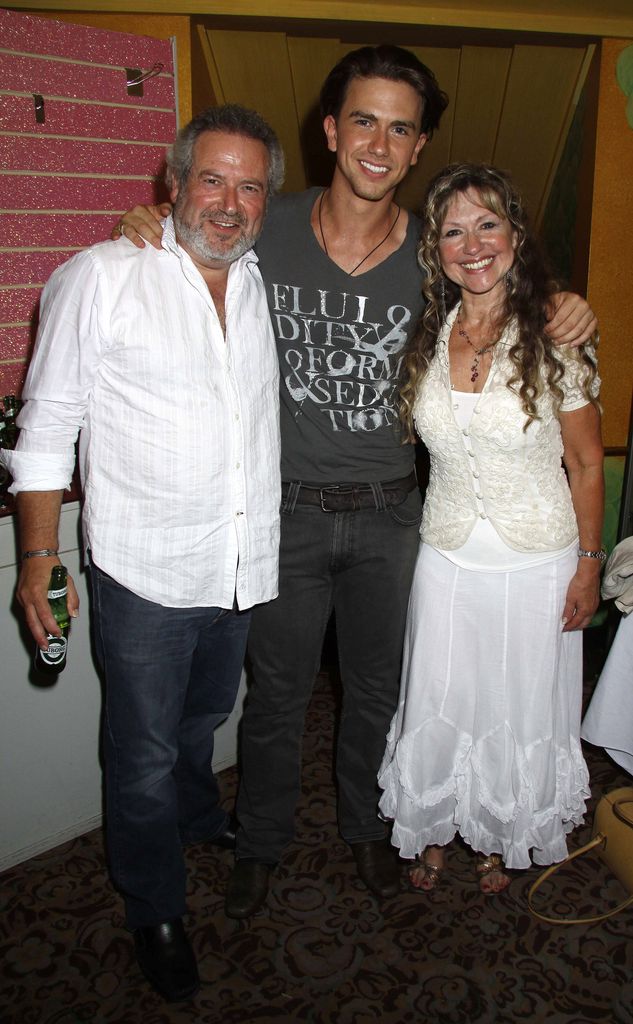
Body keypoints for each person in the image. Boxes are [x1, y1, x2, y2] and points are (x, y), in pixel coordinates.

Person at [114, 45, 599, 916]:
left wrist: (566, 302)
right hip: (288, 515)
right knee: (276, 702)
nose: (379, 142)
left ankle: (367, 831)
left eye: (400, 128)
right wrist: (144, 223)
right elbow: (198, 237)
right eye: (364, 120)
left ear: (417, 150)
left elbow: (502, 288)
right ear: (331, 130)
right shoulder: (268, 223)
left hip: (391, 520)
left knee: (378, 695)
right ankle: (258, 846)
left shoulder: (435, 252)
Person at [1, 105, 283, 1002]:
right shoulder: (98, 276)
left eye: (249, 186)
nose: (229, 204)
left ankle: (198, 818)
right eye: (212, 179)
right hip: (146, 577)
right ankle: (152, 907)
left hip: (239, 566)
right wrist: (39, 559)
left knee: (203, 721)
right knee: (144, 752)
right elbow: (45, 428)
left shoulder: (257, 282)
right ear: (173, 184)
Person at [378, 163, 604, 895]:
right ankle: (439, 820)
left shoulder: (555, 330)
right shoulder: (426, 332)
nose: (471, 244)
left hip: (536, 558)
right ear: (434, 249)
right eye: (451, 230)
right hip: (444, 554)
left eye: (486, 225)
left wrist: (588, 564)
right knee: (442, 696)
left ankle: (502, 831)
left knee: (515, 702)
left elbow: (585, 460)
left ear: (513, 235)